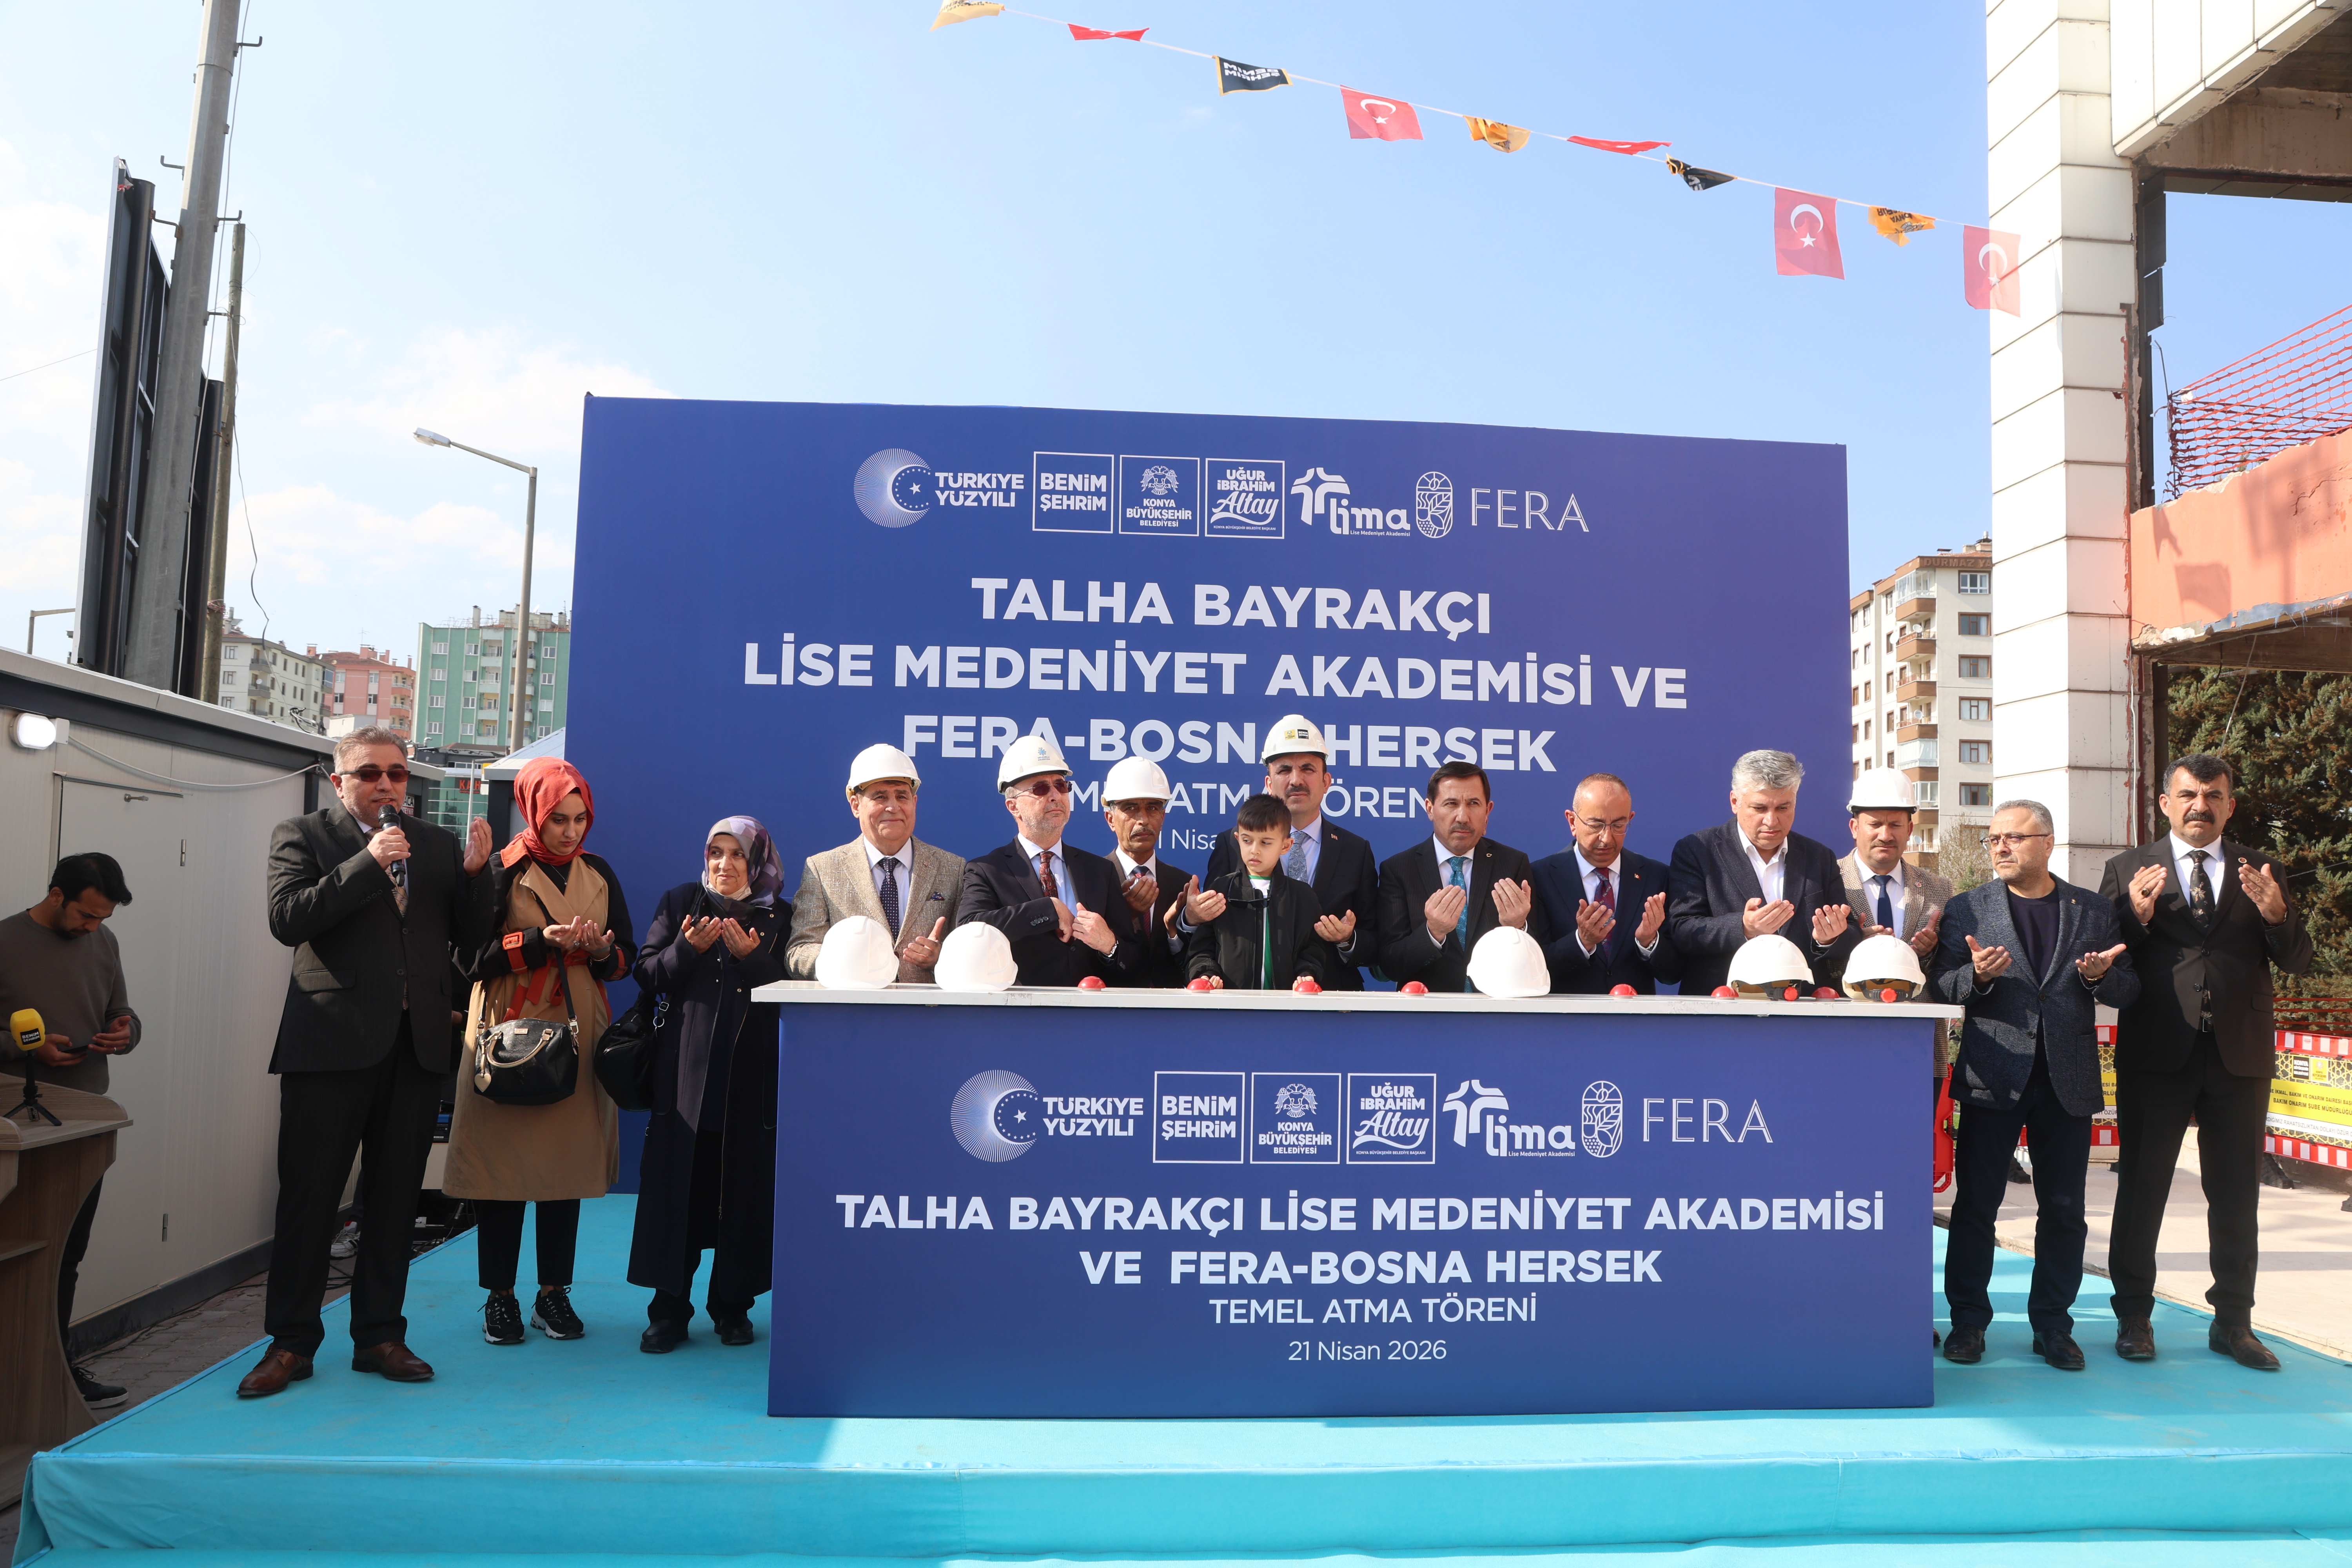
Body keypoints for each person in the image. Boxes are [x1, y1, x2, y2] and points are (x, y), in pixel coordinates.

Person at [241, 727, 495, 1397]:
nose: (386, 785)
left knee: (392, 1201)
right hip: (330, 1045)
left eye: (397, 774)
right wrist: (367, 863)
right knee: (309, 1199)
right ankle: (292, 1343)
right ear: (340, 781)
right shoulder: (302, 836)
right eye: (370, 774)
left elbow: (469, 939)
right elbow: (288, 919)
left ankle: (380, 1335)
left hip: (414, 1051)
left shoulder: (435, 843)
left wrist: (475, 881)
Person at [2099, 753, 2312, 1370]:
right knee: (2142, 1189)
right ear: (2165, 803)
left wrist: (2277, 915)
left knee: (2236, 1193)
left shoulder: (2261, 869)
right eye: (2188, 794)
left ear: (2230, 805)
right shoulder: (2128, 868)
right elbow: (2106, 959)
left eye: (2213, 795)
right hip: (2157, 1052)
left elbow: (2297, 960)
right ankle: (2135, 1315)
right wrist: (2133, 919)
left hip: (2239, 1056)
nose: (2200, 805)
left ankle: (2234, 1323)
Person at [1926, 800, 2136, 1370]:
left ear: (2046, 841)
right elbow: (1943, 988)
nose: (1999, 847)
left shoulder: (2091, 910)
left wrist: (2101, 978)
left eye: (2013, 838)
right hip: (1993, 1077)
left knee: (2065, 1211)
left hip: (2066, 1081)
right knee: (1976, 1208)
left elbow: (2128, 990)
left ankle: (2054, 1326)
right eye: (1994, 839)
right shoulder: (1968, 908)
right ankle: (1968, 1323)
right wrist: (1979, 977)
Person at [446, 757, 633, 1348]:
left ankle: (554, 1294)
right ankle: (498, 1299)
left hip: (578, 1032)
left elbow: (625, 956)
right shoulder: (501, 869)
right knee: (500, 1173)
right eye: (558, 819)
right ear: (533, 811)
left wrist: (601, 952)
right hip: (508, 1031)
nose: (571, 831)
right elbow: (468, 958)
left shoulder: (599, 872)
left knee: (565, 1170)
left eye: (580, 819)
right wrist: (534, 942)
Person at [629, 817, 790, 1352]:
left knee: (741, 1199)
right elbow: (647, 973)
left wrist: (752, 959)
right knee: (680, 1198)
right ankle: (668, 1313)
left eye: (738, 855)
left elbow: (792, 991)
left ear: (758, 860)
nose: (724, 865)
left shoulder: (777, 916)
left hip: (749, 1086)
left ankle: (732, 1310)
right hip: (685, 1087)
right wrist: (687, 950)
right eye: (716, 853)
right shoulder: (681, 903)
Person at [0, 853, 140, 1409]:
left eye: (102, 918)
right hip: (16, 1124)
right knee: (17, 1252)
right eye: (86, 915)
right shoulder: (6, 941)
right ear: (56, 894)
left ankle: (56, 1371)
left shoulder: (104, 943)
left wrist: (123, 1034)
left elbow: (123, 1015)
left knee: (66, 1254)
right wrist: (24, 1048)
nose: (93, 928)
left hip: (85, 1120)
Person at [1201, 716, 1379, 987]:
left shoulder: (1356, 850)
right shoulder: (1231, 844)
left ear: (1327, 780)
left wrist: (1347, 939)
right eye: (1284, 770)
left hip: (1332, 1010)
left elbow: (1376, 941)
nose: (1296, 780)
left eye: (1308, 768)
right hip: (1247, 1007)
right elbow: (1210, 929)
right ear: (1269, 783)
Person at [1667, 749, 1860, 995]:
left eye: (1783, 808)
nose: (1772, 821)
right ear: (1735, 802)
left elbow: (1851, 932)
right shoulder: (1697, 850)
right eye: (1760, 808)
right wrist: (1744, 928)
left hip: (1802, 1011)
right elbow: (1684, 930)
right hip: (1723, 1009)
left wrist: (1829, 938)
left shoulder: (1819, 856)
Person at [956, 735, 1138, 985]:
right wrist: (1046, 910)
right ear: (1013, 807)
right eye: (1041, 788)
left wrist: (1109, 944)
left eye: (1061, 786)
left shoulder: (1101, 871)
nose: (1055, 795)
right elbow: (969, 931)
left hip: (1093, 1018)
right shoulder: (988, 870)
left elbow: (1136, 964)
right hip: (1019, 1016)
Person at [784, 744, 964, 983]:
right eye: (880, 797)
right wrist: (842, 958)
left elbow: (967, 953)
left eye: (902, 796)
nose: (893, 807)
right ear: (856, 805)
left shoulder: (953, 868)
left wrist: (942, 957)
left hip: (929, 1015)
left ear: (915, 802)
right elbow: (798, 952)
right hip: (853, 1016)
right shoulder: (822, 869)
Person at [1374, 760, 1543, 993]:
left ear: (1488, 811)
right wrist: (1433, 932)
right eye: (1451, 804)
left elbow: (1539, 959)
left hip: (1498, 1013)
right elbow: (1389, 965)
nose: (1462, 817)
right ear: (1430, 808)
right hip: (1426, 1016)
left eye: (1473, 804)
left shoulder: (1513, 864)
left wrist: (1518, 928)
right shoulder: (1399, 869)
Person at [1530, 774, 1681, 995]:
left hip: (1637, 1022)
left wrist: (1649, 942)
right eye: (1596, 825)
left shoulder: (1656, 876)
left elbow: (1673, 974)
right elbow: (1533, 969)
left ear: (1630, 818)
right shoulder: (1540, 877)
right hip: (1566, 1021)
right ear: (1573, 822)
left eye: (1619, 825)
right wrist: (1582, 942)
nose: (1607, 838)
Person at [1185, 794, 1331, 990]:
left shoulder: (1302, 896)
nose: (1255, 850)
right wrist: (1207, 973)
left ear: (1286, 846)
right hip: (1229, 1007)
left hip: (1284, 1008)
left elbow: (1313, 948)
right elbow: (1202, 947)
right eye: (1247, 840)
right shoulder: (1221, 891)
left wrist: (1306, 973)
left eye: (1266, 842)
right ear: (1237, 839)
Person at [1099, 757, 1193, 988]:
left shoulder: (1183, 883)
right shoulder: (1092, 879)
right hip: (1110, 1010)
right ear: (1111, 819)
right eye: (1131, 808)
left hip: (1171, 1013)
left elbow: (1192, 959)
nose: (1143, 819)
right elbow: (1084, 956)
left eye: (1152, 808)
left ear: (1162, 818)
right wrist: (1124, 915)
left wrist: (1177, 928)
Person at [1840, 769, 1951, 960]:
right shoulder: (1826, 880)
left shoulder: (1940, 890)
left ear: (1909, 829)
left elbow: (1950, 965)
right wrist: (1851, 943)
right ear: (1855, 828)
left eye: (1895, 825)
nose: (1885, 836)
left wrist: (1929, 952)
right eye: (1875, 825)